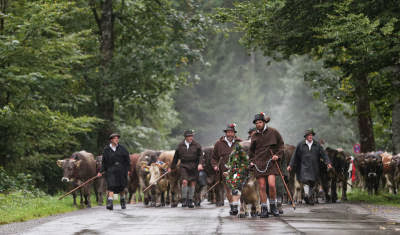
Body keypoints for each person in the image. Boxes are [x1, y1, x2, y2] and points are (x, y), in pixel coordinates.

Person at [249, 112, 284, 218]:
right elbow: (251, 151)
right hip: (259, 163)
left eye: (260, 122)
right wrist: (251, 161)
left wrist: (277, 155)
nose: (258, 124)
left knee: (272, 185)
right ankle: (264, 208)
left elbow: (281, 145)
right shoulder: (254, 135)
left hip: (271, 162)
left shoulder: (274, 132)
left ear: (264, 122)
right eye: (256, 123)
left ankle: (273, 207)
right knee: (262, 186)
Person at [287, 129, 332, 205]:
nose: (311, 137)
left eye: (311, 135)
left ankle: (309, 197)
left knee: (312, 182)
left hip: (314, 167)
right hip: (304, 167)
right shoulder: (300, 145)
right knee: (305, 181)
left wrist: (328, 163)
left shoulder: (317, 145)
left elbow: (324, 154)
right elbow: (294, 156)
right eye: (309, 135)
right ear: (306, 137)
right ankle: (307, 195)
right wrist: (290, 165)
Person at [211, 123, 242, 215]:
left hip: (237, 169)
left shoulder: (240, 143)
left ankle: (235, 206)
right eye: (228, 132)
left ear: (234, 133)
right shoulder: (218, 144)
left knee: (235, 188)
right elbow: (214, 157)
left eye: (231, 132)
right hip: (224, 170)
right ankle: (232, 205)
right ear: (225, 133)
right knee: (228, 189)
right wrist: (215, 165)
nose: (230, 134)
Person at [169, 130, 203, 208]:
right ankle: (184, 200)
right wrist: (172, 167)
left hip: (194, 165)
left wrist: (200, 164)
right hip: (184, 165)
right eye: (189, 136)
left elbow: (201, 156)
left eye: (192, 136)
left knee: (193, 183)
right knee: (184, 181)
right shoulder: (180, 145)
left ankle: (190, 200)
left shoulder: (197, 145)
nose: (191, 137)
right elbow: (175, 157)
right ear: (185, 137)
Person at [98, 133, 131, 210]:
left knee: (121, 187)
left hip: (121, 170)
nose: (117, 139)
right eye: (115, 138)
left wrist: (128, 169)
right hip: (111, 170)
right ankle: (110, 203)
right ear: (111, 140)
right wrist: (100, 171)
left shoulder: (122, 148)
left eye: (117, 138)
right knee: (111, 186)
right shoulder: (106, 150)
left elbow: (127, 160)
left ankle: (122, 200)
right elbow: (104, 162)